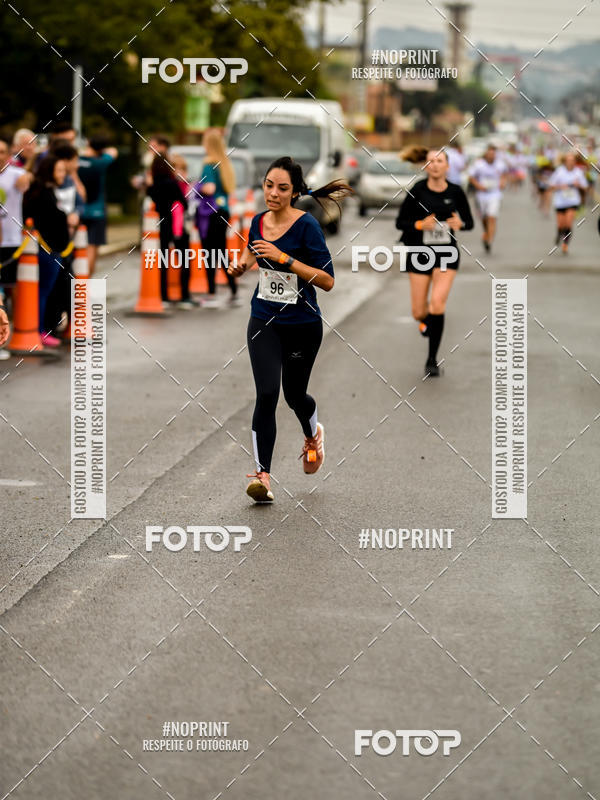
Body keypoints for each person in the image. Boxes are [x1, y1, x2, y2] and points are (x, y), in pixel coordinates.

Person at [228, 156, 353, 502]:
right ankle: (261, 476)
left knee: (294, 395)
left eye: (282, 188)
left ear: (295, 192)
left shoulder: (307, 226)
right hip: (264, 319)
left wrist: (284, 260)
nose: (273, 193)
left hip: (302, 324)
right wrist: (242, 265)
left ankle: (313, 434)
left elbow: (327, 280)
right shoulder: (257, 221)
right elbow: (255, 250)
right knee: (266, 394)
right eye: (269, 185)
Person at [396, 146, 474, 377]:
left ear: (448, 166)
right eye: (431, 161)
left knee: (437, 305)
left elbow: (469, 222)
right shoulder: (417, 190)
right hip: (419, 253)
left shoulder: (457, 192)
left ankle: (432, 359)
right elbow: (401, 222)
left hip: (446, 255)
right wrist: (420, 225)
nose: (435, 164)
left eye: (440, 161)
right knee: (419, 312)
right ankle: (426, 323)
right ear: (425, 166)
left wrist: (461, 224)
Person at [23, 155, 70, 346]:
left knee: (45, 290)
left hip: (50, 248)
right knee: (43, 291)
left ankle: (41, 329)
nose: (63, 174)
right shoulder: (43, 193)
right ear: (49, 171)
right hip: (46, 248)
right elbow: (48, 220)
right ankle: (39, 330)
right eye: (59, 170)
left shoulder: (46, 191)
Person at [193, 128, 239, 308]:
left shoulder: (208, 164)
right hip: (224, 210)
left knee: (210, 253)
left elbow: (209, 188)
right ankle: (234, 290)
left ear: (209, 144)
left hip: (211, 213)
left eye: (204, 141)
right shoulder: (225, 164)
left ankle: (212, 293)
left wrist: (196, 185)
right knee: (221, 253)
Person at [44, 143, 86, 335]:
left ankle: (66, 322)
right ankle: (49, 326)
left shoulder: (70, 181)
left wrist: (76, 214)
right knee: (53, 284)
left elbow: (80, 200)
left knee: (67, 281)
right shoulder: (46, 189)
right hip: (52, 243)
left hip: (67, 241)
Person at [146, 155, 194, 308]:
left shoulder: (153, 186)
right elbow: (184, 203)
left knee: (163, 261)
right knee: (184, 260)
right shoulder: (172, 183)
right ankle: (184, 296)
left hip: (161, 225)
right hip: (177, 224)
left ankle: (164, 296)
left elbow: (152, 200)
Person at [78, 135, 118, 275]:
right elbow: (113, 152)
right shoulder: (101, 163)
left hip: (78, 210)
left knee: (76, 249)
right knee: (92, 248)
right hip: (97, 210)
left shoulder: (77, 161)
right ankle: (86, 285)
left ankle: (75, 285)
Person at [468, 143, 507, 253]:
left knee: (492, 217)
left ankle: (489, 240)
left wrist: (503, 182)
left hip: (495, 194)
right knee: (484, 219)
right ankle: (487, 234)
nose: (491, 156)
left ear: (495, 155)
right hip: (481, 196)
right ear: (486, 154)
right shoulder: (478, 164)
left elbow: (504, 174)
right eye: (489, 153)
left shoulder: (500, 164)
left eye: (493, 154)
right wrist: (479, 186)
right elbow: (471, 177)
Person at [548, 152, 588, 255]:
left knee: (568, 223)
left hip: (573, 201)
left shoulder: (578, 172)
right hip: (560, 201)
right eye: (568, 160)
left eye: (572, 160)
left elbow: (585, 187)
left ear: (575, 161)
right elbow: (551, 185)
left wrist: (578, 185)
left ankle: (565, 245)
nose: (570, 162)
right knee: (561, 224)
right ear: (565, 161)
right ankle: (559, 233)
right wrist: (561, 187)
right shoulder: (559, 171)